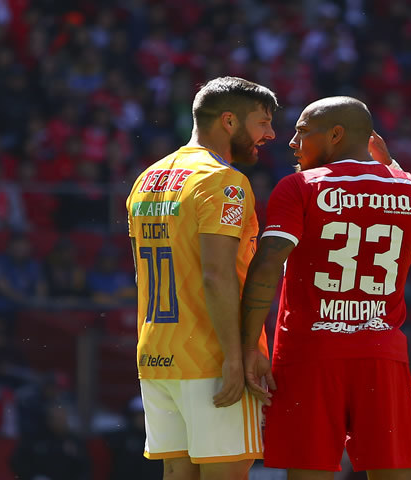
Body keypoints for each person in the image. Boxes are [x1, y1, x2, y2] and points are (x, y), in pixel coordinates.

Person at [240, 96, 411, 480]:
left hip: (310, 353)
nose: (292, 142)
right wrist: (393, 169)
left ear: (336, 134)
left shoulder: (299, 187)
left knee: (309, 472)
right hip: (380, 354)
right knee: (392, 472)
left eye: (302, 132)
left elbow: (269, 262)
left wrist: (246, 345)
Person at [124, 76, 278, 479]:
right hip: (210, 356)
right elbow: (215, 275)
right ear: (229, 121)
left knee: (177, 474)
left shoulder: (148, 179)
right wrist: (234, 355)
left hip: (157, 355)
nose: (271, 134)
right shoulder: (223, 182)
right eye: (262, 123)